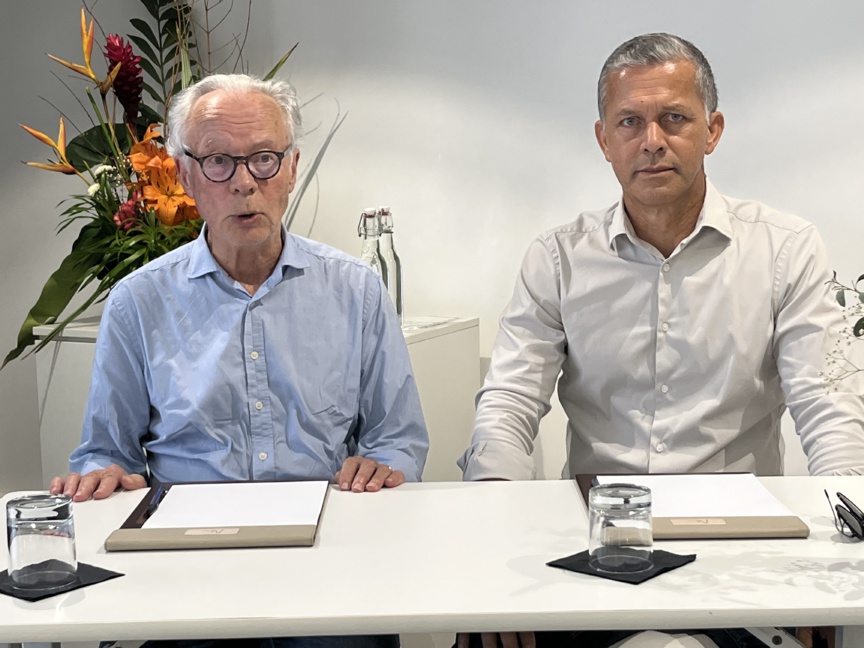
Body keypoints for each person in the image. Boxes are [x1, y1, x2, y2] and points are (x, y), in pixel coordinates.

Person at [458, 33, 864, 648]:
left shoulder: (785, 249)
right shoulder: (559, 258)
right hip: (594, 546)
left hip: (740, 542)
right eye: (630, 122)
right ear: (603, 140)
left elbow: (827, 404)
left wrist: (841, 554)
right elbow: (508, 406)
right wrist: (494, 534)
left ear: (712, 129)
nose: (652, 141)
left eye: (674, 118)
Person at [50, 73, 428, 648]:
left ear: (294, 168)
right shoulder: (140, 302)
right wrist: (102, 476)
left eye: (264, 160)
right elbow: (106, 451)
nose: (245, 184)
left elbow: (398, 438)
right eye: (219, 161)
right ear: (184, 175)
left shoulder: (356, 290)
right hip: (185, 571)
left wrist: (383, 464)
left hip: (329, 561)